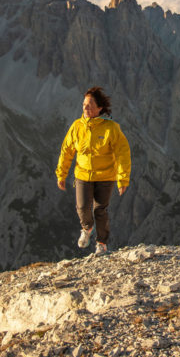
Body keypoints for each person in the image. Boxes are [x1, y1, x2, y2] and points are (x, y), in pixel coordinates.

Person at [55, 87, 131, 255]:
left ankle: (101, 243)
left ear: (100, 108)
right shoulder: (77, 126)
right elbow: (66, 151)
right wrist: (61, 174)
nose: (85, 108)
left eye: (90, 105)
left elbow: (123, 153)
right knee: (82, 207)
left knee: (100, 210)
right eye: (84, 105)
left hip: (105, 177)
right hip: (82, 175)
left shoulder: (111, 128)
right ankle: (87, 228)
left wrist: (123, 179)